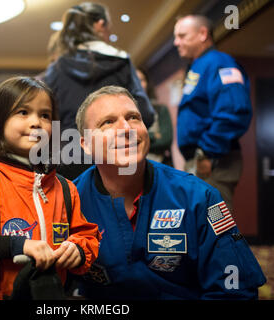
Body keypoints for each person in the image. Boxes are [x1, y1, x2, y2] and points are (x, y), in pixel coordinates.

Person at [73, 85, 266, 299]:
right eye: (107, 122)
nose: (126, 128)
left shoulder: (201, 198)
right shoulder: (67, 201)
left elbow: (236, 290)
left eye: (134, 118)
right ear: (86, 145)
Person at [0, 76, 100, 300]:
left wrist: (78, 249)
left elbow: (87, 235)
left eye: (45, 115)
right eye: (23, 112)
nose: (36, 122)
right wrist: (15, 245)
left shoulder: (65, 188)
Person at [44, 2, 155, 180]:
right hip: (118, 161)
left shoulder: (55, 69)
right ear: (100, 24)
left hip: (69, 161)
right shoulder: (121, 62)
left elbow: (46, 121)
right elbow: (146, 114)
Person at [173, 15, 252, 212]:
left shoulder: (220, 63)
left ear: (202, 34)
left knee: (217, 225)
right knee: (201, 226)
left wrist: (207, 152)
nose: (176, 42)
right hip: (199, 159)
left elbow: (234, 111)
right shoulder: (198, 65)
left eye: (182, 36)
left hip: (214, 160)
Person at [136, 69, 173, 165]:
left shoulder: (160, 109)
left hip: (163, 164)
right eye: (135, 80)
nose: (139, 84)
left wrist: (140, 139)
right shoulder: (125, 114)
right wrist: (154, 135)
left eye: (142, 80)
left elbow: (166, 139)